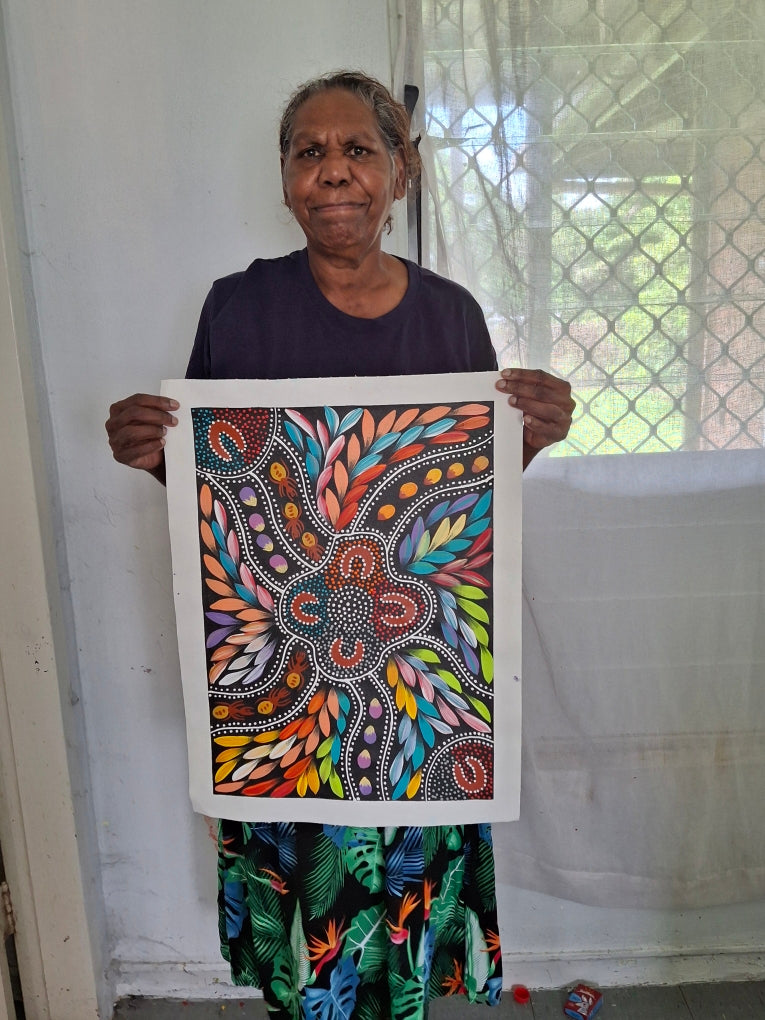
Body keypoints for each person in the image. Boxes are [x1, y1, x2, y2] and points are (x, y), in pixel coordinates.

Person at [106, 71, 574, 1019]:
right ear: (283, 178)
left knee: (400, 900)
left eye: (358, 150)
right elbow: (223, 501)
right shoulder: (238, 310)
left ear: (399, 174)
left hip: (415, 698)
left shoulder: (448, 314)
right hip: (289, 688)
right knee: (310, 906)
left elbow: (458, 508)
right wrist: (151, 455)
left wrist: (525, 439)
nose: (332, 172)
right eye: (307, 152)